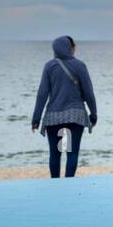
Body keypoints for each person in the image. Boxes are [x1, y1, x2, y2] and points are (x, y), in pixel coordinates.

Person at [30, 36, 98, 178]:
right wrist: (93, 114)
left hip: (53, 118)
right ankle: (68, 184)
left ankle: (56, 184)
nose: (74, 49)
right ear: (69, 48)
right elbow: (88, 92)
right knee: (71, 152)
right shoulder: (79, 65)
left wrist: (36, 118)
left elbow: (42, 94)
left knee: (55, 154)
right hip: (75, 116)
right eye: (73, 46)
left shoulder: (49, 66)